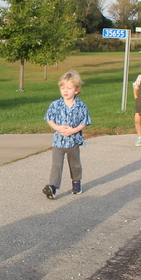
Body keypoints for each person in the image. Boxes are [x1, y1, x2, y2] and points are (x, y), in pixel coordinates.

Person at [42, 70, 92, 199]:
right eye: (63, 88)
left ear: (76, 90)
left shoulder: (81, 106)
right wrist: (58, 128)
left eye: (69, 88)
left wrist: (73, 130)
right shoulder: (55, 105)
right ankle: (52, 187)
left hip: (73, 141)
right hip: (58, 141)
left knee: (75, 164)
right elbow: (49, 119)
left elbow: (85, 122)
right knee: (56, 165)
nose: (65, 91)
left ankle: (76, 182)